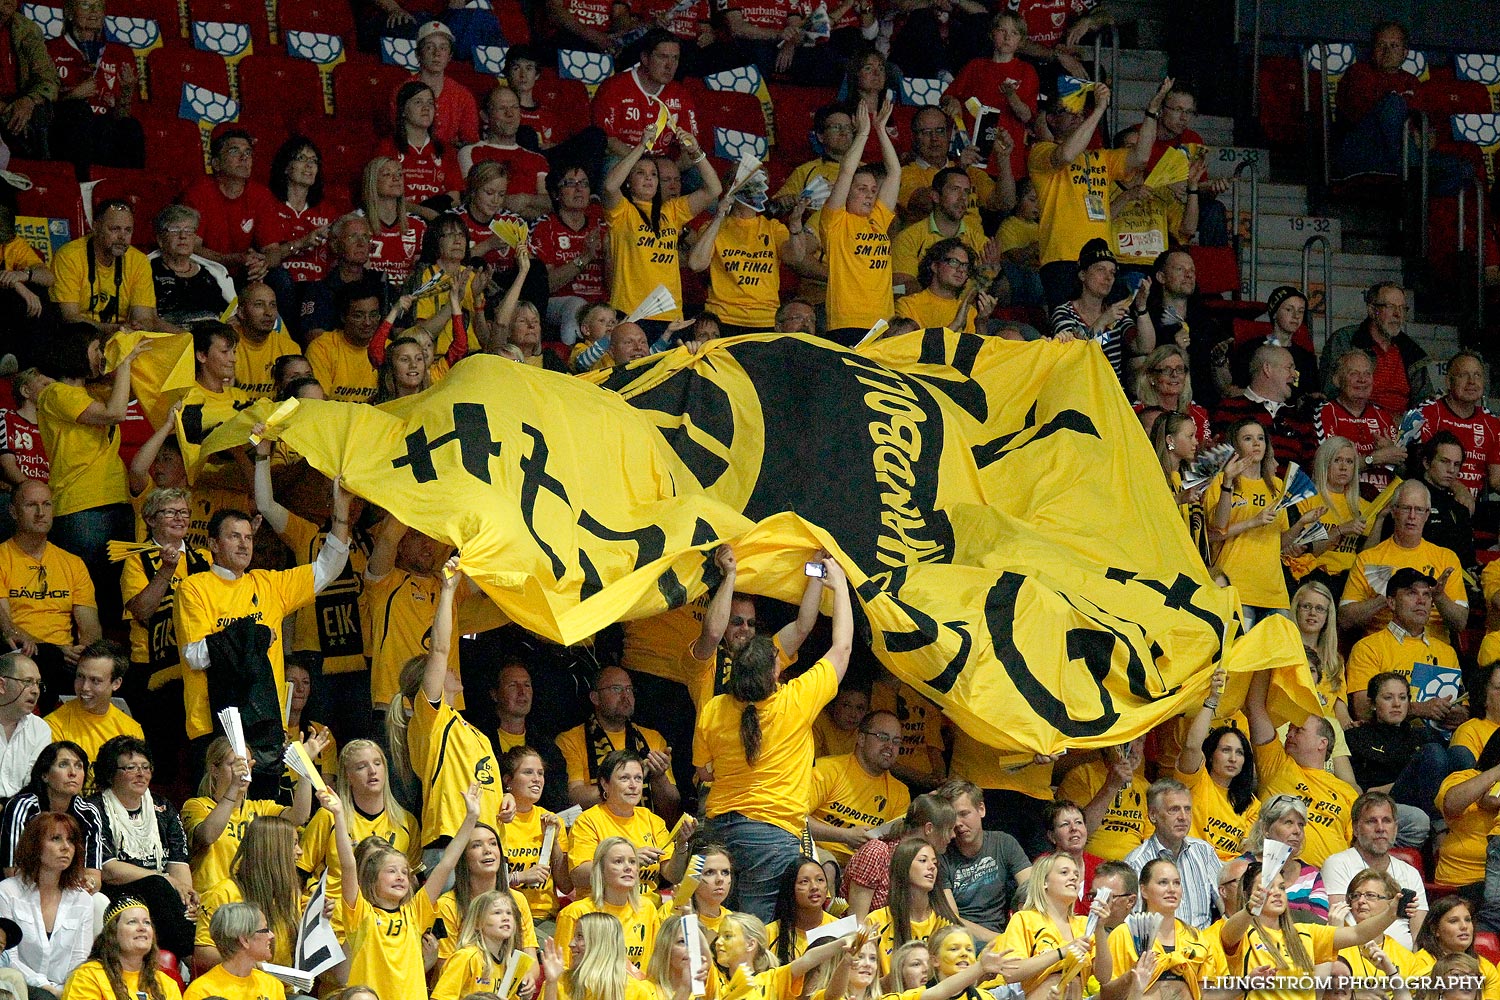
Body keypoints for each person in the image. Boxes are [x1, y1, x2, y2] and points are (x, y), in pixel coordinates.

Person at [694, 552, 851, 921]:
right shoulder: (796, 701)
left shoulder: (715, 709)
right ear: (774, 672)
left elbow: (704, 772)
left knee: (719, 929)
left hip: (717, 831)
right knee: (760, 935)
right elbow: (841, 647)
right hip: (771, 836)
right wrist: (840, 585)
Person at [173, 493, 352, 767]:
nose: (244, 544)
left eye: (248, 537)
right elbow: (195, 656)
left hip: (267, 725)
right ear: (213, 545)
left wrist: (341, 511)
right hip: (213, 726)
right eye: (234, 536)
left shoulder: (269, 584)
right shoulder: (194, 588)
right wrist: (255, 634)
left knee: (266, 809)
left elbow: (329, 567)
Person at [387, 557, 510, 860]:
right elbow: (440, 648)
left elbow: (482, 781)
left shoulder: (474, 733)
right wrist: (447, 592)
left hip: (491, 845)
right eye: (444, 669)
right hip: (450, 843)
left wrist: (504, 802)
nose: (452, 667)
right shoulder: (431, 719)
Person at [324, 772, 479, 1000]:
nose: (401, 877)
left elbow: (446, 864)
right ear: (371, 877)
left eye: (405, 872)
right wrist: (338, 815)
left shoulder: (415, 912)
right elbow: (348, 865)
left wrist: (471, 818)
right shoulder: (360, 914)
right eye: (391, 871)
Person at [1029, 77, 1151, 309]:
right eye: (1069, 110)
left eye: (1079, 110)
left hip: (1102, 260)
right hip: (1062, 260)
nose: (1077, 115)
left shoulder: (1101, 158)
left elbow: (1141, 156)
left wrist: (1152, 113)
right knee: (1069, 336)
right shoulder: (1040, 151)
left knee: (1109, 333)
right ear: (1052, 119)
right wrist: (1099, 110)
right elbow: (1065, 155)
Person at [602, 127, 721, 335]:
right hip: (632, 313)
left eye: (654, 175)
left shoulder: (673, 211)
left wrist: (696, 152)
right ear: (628, 182)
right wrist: (641, 147)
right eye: (641, 173)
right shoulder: (622, 211)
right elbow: (611, 186)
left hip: (670, 315)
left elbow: (714, 189)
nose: (649, 179)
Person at [1334, 21, 1472, 196]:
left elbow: (1428, 133)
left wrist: (1424, 136)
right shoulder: (1358, 72)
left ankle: (1413, 195)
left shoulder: (1412, 82)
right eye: (1381, 45)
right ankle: (1411, 175)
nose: (1387, 51)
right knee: (1394, 103)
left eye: (1394, 45)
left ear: (1405, 52)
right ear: (1373, 49)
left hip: (1407, 155)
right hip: (1366, 151)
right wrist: (1408, 136)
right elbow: (1361, 117)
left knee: (1463, 169)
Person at [1217, 862, 1397, 994]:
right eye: (1267, 887)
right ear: (1249, 894)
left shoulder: (1305, 932)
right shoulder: (1242, 933)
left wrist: (1392, 912)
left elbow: (1358, 933)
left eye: (1281, 887)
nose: (1277, 892)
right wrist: (1249, 909)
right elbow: (1228, 933)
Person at [685, 544, 823, 714]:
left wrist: (817, 566)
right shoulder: (706, 665)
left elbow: (803, 626)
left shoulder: (765, 656)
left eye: (751, 623)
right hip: (717, 740)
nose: (745, 628)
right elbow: (713, 633)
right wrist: (730, 575)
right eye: (737, 621)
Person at [0, 482, 101, 705]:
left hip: (66, 660)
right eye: (31, 505)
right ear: (13, 512)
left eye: (46, 504)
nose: (40, 513)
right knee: (47, 658)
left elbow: (91, 630)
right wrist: (54, 650)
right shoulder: (2, 558)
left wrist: (82, 653)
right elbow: (5, 625)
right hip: (19, 655)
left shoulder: (73, 563)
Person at [1245, 671, 1356, 868]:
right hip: (1275, 872)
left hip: (1328, 882)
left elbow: (1356, 846)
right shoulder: (1277, 764)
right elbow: (1255, 706)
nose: (1289, 735)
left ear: (1322, 743)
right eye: (1289, 731)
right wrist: (1264, 664)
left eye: (1298, 730)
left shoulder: (1347, 792)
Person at [1340, 479, 1468, 645]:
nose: (1412, 516)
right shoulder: (1369, 558)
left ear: (1427, 514)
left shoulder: (1446, 558)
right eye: (1406, 508)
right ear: (1394, 511)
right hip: (1382, 649)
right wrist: (1385, 597)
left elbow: (1460, 623)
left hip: (1433, 651)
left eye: (1419, 510)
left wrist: (1439, 596)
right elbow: (1344, 619)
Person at [297, 739, 419, 911]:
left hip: (381, 926)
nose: (372, 771)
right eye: (361, 767)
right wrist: (312, 906)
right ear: (348, 776)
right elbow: (298, 873)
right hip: (332, 923)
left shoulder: (406, 822)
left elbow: (412, 882)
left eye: (378, 763)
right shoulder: (329, 816)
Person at [1203, 420, 1305, 625]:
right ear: (1236, 445)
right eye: (1248, 439)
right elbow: (1214, 530)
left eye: (1260, 438)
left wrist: (1302, 523)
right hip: (1235, 586)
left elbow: (1281, 543)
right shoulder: (1221, 481)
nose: (1256, 444)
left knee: (1276, 656)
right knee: (1239, 654)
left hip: (1274, 591)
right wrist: (1229, 484)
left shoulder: (1276, 486)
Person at [688, 173, 813, 337]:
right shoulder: (713, 227)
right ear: (732, 187)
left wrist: (795, 223)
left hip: (765, 319)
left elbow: (796, 257)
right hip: (723, 318)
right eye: (750, 183)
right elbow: (696, 264)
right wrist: (719, 216)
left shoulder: (772, 227)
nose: (756, 189)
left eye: (761, 184)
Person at [821, 99, 900, 346]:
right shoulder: (835, 222)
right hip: (846, 322)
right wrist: (863, 133)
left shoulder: (879, 220)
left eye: (873, 190)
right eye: (862, 189)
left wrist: (880, 131)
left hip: (883, 324)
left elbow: (895, 171)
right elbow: (846, 170)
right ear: (847, 192)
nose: (869, 194)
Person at [1346, 567, 1464, 724]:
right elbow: (1363, 710)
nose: (1421, 600)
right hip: (1390, 739)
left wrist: (1458, 714)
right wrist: (1418, 709)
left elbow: (1463, 706)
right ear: (1392, 602)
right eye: (1412, 593)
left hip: (1438, 739)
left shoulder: (1447, 652)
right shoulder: (1368, 648)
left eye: (1426, 594)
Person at [558, 668, 679, 818]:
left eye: (629, 689)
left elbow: (672, 805)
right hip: (597, 833)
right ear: (595, 698)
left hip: (644, 832)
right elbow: (574, 798)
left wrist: (659, 777)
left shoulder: (652, 738)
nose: (625, 696)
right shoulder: (571, 739)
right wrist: (620, 784)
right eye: (616, 689)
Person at [192, 813, 306, 970]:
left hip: (281, 988)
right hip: (238, 988)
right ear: (273, 851)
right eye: (293, 844)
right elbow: (203, 953)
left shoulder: (291, 893)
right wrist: (251, 965)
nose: (300, 852)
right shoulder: (224, 893)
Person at [567, 750, 689, 895]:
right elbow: (579, 876)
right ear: (605, 784)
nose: (633, 785)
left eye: (638, 778)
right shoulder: (588, 821)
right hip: (603, 912)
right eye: (625, 778)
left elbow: (673, 875)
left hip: (647, 911)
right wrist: (630, 859)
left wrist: (681, 847)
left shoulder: (651, 819)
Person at [0, 811, 97, 993]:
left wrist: (65, 991)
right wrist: (44, 987)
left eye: (70, 840)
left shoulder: (82, 900)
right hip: (20, 988)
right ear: (35, 846)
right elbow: (7, 957)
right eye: (56, 839)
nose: (66, 847)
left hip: (66, 991)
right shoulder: (7, 892)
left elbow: (80, 959)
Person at [994, 855, 1110, 1000]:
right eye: (1064, 872)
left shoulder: (1084, 924)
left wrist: (1100, 928)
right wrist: (1063, 952)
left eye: (1076, 874)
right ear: (1044, 882)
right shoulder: (1024, 918)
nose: (1074, 878)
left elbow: (1104, 977)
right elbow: (1010, 973)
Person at [1099, 858, 1219, 998]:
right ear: (1143, 890)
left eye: (1177, 883)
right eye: (1163, 882)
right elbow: (1106, 995)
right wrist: (1131, 976)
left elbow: (1207, 995)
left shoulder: (1196, 938)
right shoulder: (1124, 934)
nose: (1171, 889)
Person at [1321, 791, 1427, 949]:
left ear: (1396, 828)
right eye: (1371, 821)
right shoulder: (1338, 864)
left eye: (1387, 821)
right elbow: (1339, 927)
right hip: (1357, 961)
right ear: (1355, 829)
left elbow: (1419, 936)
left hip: (1405, 965)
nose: (1380, 828)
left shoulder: (1410, 873)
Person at [940, 12, 1038, 182]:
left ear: (1021, 41)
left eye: (1014, 33)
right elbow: (946, 97)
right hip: (973, 157)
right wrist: (953, 101)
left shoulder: (1026, 71)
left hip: (1008, 162)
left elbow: (1027, 115)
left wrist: (1011, 96)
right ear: (992, 34)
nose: (1007, 37)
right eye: (1002, 30)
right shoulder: (975, 66)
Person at [807, 711, 910, 870]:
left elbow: (896, 845)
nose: (889, 746)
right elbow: (796, 819)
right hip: (817, 858)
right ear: (861, 739)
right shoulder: (828, 770)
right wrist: (845, 835)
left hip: (865, 868)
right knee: (827, 867)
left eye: (896, 741)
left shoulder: (900, 792)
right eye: (882, 737)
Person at [47, 0, 142, 171]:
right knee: (79, 112)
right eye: (85, 5)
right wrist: (72, 95)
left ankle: (129, 190)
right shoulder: (51, 50)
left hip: (105, 130)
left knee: (131, 128)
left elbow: (122, 115)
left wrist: (127, 92)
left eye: (98, 6)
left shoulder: (121, 53)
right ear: (69, 12)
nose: (93, 11)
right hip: (67, 129)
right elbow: (40, 104)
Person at [257, 135, 342, 323]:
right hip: (284, 285)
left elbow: (336, 258)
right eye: (302, 159)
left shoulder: (327, 210)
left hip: (319, 285)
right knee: (281, 279)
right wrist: (301, 243)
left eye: (313, 161)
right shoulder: (268, 205)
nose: (309, 165)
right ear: (286, 167)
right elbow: (267, 257)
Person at [1049, 238, 1152, 385]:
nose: (1108, 277)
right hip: (1078, 390)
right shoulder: (1064, 311)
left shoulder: (1115, 313)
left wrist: (1142, 308)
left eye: (1112, 272)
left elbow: (1145, 347)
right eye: (1101, 270)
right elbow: (1074, 354)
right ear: (1082, 275)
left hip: (1111, 394)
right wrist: (1103, 320)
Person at [433, 821, 540, 963]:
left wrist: (525, 980)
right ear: (462, 856)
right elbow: (445, 968)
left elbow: (529, 961)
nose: (487, 850)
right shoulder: (446, 905)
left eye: (493, 843)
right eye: (476, 845)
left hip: (509, 982)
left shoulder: (517, 899)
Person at [1120, 778, 1220, 930]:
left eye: (1187, 809)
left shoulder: (1204, 851)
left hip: (1204, 947)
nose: (1183, 817)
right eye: (1174, 810)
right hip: (1160, 948)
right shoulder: (1136, 863)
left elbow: (1226, 903)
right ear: (1153, 815)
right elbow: (1133, 924)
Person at [50, 201, 164, 333]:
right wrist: (115, 329)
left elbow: (144, 318)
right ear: (95, 227)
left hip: (123, 338)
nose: (122, 236)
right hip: (79, 338)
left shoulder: (139, 260)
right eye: (114, 229)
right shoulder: (69, 256)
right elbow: (70, 317)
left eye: (128, 230)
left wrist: (138, 327)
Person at [0, 742, 103, 888]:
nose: (73, 772)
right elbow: (12, 871)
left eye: (79, 766)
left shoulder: (88, 813)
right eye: (63, 765)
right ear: (45, 775)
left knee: (99, 901)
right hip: (23, 888)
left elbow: (93, 874)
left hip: (68, 887)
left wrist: (89, 883)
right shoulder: (23, 806)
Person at [1319, 282, 1431, 413]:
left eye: (1402, 308)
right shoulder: (1345, 340)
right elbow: (1331, 392)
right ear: (1372, 311)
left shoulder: (1411, 349)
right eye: (1390, 307)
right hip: (1355, 422)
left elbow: (1425, 400)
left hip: (1403, 428)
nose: (1398, 314)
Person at [181, 129, 278, 278]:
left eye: (248, 153)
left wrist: (262, 264)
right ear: (216, 163)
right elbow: (192, 247)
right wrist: (232, 259)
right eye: (234, 151)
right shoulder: (199, 192)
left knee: (279, 276)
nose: (244, 157)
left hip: (245, 270)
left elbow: (273, 250)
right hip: (207, 269)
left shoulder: (261, 194)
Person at [592, 32, 700, 162]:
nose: (670, 66)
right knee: (612, 162)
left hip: (662, 163)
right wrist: (644, 165)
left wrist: (667, 171)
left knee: (698, 167)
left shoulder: (681, 94)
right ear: (645, 58)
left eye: (675, 58)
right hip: (623, 160)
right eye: (663, 57)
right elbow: (607, 140)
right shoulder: (613, 87)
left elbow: (690, 146)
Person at [1290, 436, 1380, 592]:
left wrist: (1381, 518)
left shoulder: (1364, 506)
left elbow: (1367, 556)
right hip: (1314, 578)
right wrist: (1339, 530)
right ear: (1324, 463)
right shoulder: (1305, 498)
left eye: (1349, 462)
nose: (1344, 467)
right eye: (1337, 460)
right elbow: (1302, 551)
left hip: (1352, 581)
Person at [555, 837, 664, 966]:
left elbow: (655, 965)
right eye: (618, 861)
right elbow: (561, 972)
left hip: (638, 986)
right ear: (600, 869)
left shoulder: (646, 908)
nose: (628, 867)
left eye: (633, 862)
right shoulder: (576, 913)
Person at [844, 795, 954, 921]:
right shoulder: (876, 852)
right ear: (929, 828)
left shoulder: (932, 861)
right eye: (949, 829)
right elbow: (857, 922)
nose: (953, 835)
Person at [531, 166, 607, 346]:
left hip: (599, 303)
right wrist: (585, 258)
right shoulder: (545, 228)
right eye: (570, 183)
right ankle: (571, 361)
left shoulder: (600, 226)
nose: (579, 189)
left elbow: (612, 283)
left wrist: (610, 254)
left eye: (584, 184)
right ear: (557, 194)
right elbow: (546, 286)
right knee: (576, 305)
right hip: (558, 303)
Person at [1212, 343, 1317, 469]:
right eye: (1289, 368)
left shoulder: (1300, 418)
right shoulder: (1229, 409)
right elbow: (1220, 462)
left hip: (1290, 488)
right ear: (1267, 369)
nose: (1294, 375)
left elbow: (1312, 468)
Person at [864, 837, 959, 974]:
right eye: (923, 860)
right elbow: (868, 982)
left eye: (934, 862)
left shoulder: (946, 922)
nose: (932, 866)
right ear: (903, 866)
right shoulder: (876, 921)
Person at [1315, 349, 1404, 495]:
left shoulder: (1383, 416)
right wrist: (1374, 459)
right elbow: (1325, 467)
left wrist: (1395, 457)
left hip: (1384, 502)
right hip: (1343, 499)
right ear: (1337, 380)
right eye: (1354, 374)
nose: (1362, 379)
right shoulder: (1325, 412)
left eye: (1367, 374)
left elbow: (1404, 471)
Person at [58, 898, 182, 1000]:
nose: (142, 928)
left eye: (147, 922)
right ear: (112, 933)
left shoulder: (167, 984)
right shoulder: (87, 976)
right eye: (132, 922)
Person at [500, 746, 570, 924]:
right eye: (528, 772)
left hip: (544, 917)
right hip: (505, 914)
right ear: (508, 780)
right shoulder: (497, 818)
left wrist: (553, 842)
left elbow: (566, 885)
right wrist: (520, 877)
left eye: (540, 773)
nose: (537, 779)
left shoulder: (552, 821)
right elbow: (477, 881)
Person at [1418, 352, 1500, 498]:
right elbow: (1418, 465)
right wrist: (1458, 488)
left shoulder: (1492, 422)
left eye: (1477, 375)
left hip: (1476, 508)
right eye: (1464, 375)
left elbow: (1496, 479)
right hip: (1433, 504)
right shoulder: (1427, 413)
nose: (1472, 382)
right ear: (1449, 382)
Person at [45, 641, 142, 763]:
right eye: (80, 677)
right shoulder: (53, 725)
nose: (85, 687)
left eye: (95, 680)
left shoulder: (131, 729)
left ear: (116, 683)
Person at [459, 88, 550, 217]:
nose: (510, 114)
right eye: (502, 108)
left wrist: (525, 199)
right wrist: (522, 208)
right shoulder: (470, 152)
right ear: (485, 115)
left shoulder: (537, 159)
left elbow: (549, 203)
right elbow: (472, 198)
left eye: (514, 107)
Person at [432, 890, 537, 1000]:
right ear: (477, 922)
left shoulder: (510, 963)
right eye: (497, 913)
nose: (506, 918)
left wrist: (526, 995)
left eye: (509, 913)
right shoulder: (465, 957)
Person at [1225, 285, 1320, 403]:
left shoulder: (1306, 358)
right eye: (1289, 310)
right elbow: (1234, 390)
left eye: (1301, 311)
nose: (1296, 316)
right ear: (1274, 313)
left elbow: (1313, 394)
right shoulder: (1251, 348)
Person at [378, 82, 464, 212]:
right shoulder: (387, 147)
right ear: (403, 111)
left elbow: (454, 197)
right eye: (418, 102)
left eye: (430, 103)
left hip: (437, 219)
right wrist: (423, 211)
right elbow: (381, 196)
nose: (426, 108)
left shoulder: (446, 150)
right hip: (399, 218)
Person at [301, 213, 388, 338]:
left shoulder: (380, 283)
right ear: (335, 245)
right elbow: (315, 339)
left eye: (365, 237)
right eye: (353, 237)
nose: (361, 243)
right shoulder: (319, 290)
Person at [147, 206, 234, 327]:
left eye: (189, 230)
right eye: (174, 230)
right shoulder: (147, 271)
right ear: (160, 239)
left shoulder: (211, 275)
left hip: (213, 341)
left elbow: (228, 313)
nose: (183, 236)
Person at [539, 912, 655, 1000]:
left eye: (580, 936)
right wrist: (551, 983)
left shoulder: (637, 992)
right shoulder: (558, 983)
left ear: (601, 944)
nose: (571, 944)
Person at [183, 902, 283, 1000]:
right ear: (244, 940)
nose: (271, 935)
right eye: (265, 930)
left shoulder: (272, 986)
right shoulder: (201, 992)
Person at [306, 281, 385, 402]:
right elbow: (319, 403)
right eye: (359, 316)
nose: (367, 322)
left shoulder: (389, 349)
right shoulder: (322, 348)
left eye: (373, 315)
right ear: (343, 317)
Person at [895, 240, 995, 336]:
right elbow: (909, 350)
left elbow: (980, 352)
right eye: (954, 262)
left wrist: (981, 322)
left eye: (965, 266)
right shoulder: (907, 305)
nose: (961, 270)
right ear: (934, 266)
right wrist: (956, 324)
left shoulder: (969, 311)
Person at [409, 21, 479, 149]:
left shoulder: (463, 95)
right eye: (430, 47)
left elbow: (470, 143)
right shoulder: (403, 91)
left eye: (443, 48)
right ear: (418, 54)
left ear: (450, 56)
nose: (437, 53)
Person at [227, 282, 299, 400]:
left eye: (272, 305)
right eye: (259, 305)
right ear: (241, 312)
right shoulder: (227, 346)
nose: (268, 313)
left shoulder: (289, 348)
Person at [1416, 432, 1477, 567]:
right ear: (1426, 462)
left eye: (1456, 464)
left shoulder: (1460, 509)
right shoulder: (1409, 500)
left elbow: (1468, 561)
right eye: (1444, 461)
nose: (1451, 470)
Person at [766, 858, 837, 965]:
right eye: (804, 882)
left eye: (820, 880)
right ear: (790, 888)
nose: (814, 887)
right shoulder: (769, 934)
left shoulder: (840, 929)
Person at [1136, 344, 1210, 443]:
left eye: (1179, 369)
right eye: (1166, 370)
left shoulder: (1198, 413)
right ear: (1151, 377)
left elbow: (1202, 452)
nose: (1174, 375)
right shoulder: (1135, 413)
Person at [0, 652, 50, 799]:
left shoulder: (40, 729)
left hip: (19, 810)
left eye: (38, 683)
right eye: (27, 682)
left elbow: (34, 783)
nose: (35, 691)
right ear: (2, 685)